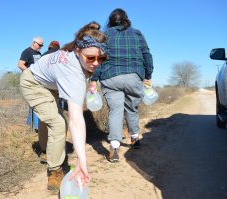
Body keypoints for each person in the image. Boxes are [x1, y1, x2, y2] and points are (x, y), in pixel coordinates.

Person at [20, 21, 107, 190]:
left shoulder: (74, 50)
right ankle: (54, 170)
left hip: (51, 86)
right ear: (78, 51)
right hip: (33, 83)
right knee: (59, 123)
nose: (96, 63)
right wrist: (83, 161)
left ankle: (45, 148)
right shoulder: (71, 70)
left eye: (101, 58)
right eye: (90, 58)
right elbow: (76, 119)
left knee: (52, 119)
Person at [90, 8, 154, 163]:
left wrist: (93, 80)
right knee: (131, 109)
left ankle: (114, 148)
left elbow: (98, 58)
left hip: (110, 77)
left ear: (110, 21)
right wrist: (148, 76)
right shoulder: (137, 33)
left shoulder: (104, 36)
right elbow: (147, 55)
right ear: (126, 20)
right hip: (133, 76)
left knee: (115, 111)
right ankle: (134, 138)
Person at [18, 36, 44, 131]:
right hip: (30, 81)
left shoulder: (39, 53)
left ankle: (29, 124)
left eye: (42, 45)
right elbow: (20, 64)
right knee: (36, 103)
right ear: (34, 43)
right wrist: (30, 74)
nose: (41, 47)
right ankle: (37, 128)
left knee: (33, 103)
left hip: (38, 81)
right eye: (39, 45)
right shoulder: (27, 52)